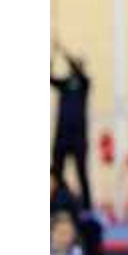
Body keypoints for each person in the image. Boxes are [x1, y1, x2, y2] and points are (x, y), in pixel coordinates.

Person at [50, 39, 93, 209]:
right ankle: (57, 202)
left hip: (78, 137)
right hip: (62, 135)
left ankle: (87, 207)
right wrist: (52, 57)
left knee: (81, 172)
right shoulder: (65, 84)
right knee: (56, 172)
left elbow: (75, 66)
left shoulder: (84, 83)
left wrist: (63, 49)